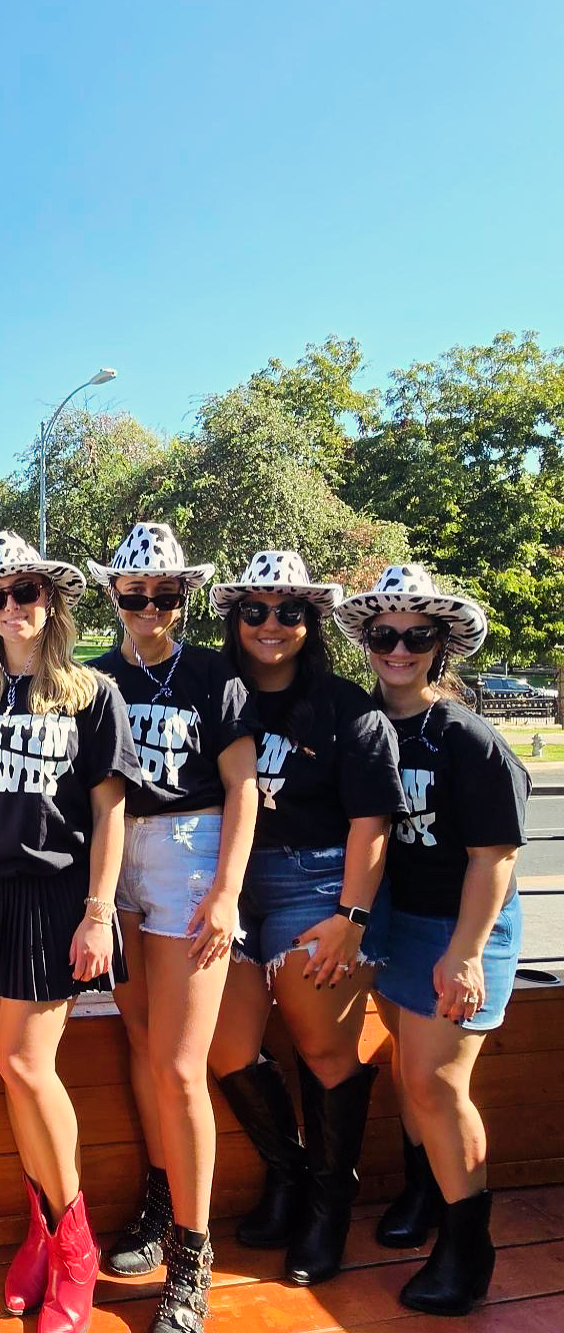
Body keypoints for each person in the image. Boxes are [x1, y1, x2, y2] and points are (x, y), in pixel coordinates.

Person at [0, 532, 139, 1333]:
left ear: (51, 601)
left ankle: (76, 1248)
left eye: (26, 591)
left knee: (29, 1066)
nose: (12, 607)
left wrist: (98, 910)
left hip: (53, 896)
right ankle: (39, 1231)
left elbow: (109, 813)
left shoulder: (91, 694)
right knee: (12, 1072)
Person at [204, 550, 404, 1284]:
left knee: (323, 1050)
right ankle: (287, 1173)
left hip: (315, 883)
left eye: (290, 611)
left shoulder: (345, 707)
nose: (271, 624)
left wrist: (353, 913)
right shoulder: (216, 696)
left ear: (311, 623)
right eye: (253, 610)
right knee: (224, 1046)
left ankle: (327, 1207)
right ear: (235, 620)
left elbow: (371, 819)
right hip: (225, 885)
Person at [334, 564, 530, 1313]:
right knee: (409, 1072)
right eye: (385, 635)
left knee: (437, 1084)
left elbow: (496, 858)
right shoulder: (367, 725)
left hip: (461, 924)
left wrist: (469, 952)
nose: (399, 648)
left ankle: (468, 1244)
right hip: (399, 919)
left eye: (418, 636)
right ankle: (423, 1192)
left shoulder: (465, 738)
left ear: (442, 646)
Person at [90, 522, 258, 1333]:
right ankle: (160, 1197)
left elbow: (243, 787)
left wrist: (227, 890)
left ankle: (192, 1262)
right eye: (134, 593)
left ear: (183, 598)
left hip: (192, 856)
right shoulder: (97, 679)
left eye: (165, 595)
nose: (149, 609)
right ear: (112, 594)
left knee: (181, 1064)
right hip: (123, 862)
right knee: (142, 1043)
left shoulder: (211, 675)